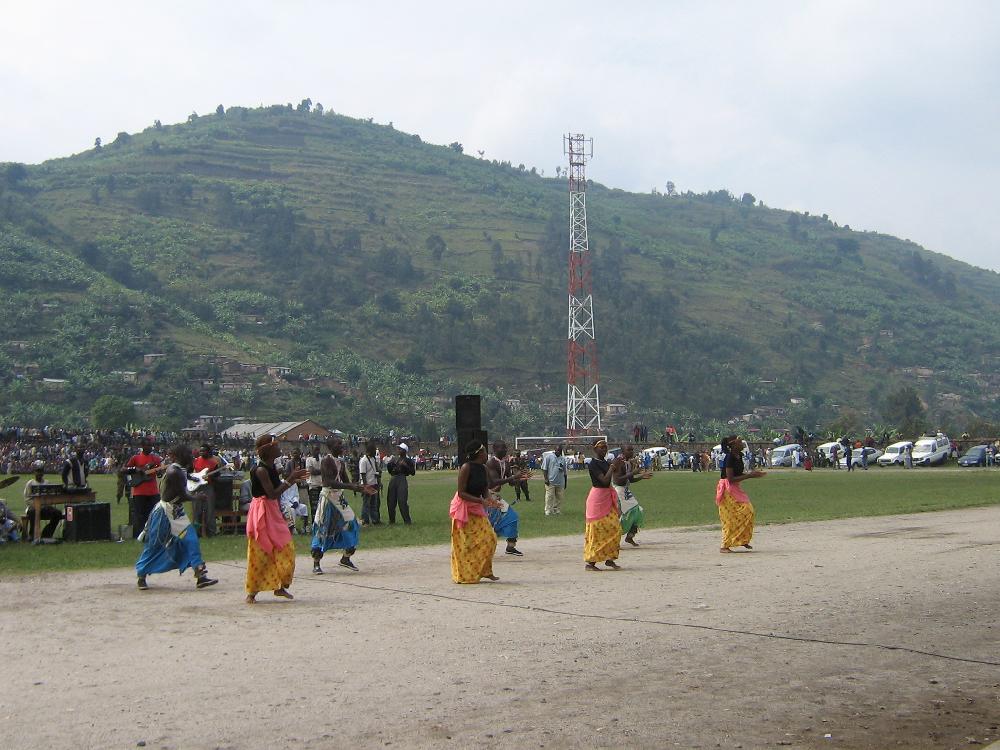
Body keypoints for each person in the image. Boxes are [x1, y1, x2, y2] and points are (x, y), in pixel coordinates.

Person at [135, 443, 218, 591]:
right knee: (155, 544)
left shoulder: (181, 470)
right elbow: (182, 495)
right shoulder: (174, 471)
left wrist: (197, 478)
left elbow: (187, 478)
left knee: (191, 539)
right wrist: (197, 497)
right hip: (164, 513)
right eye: (189, 454)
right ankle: (141, 574)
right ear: (181, 456)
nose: (192, 457)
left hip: (177, 512)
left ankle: (200, 575)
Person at [245, 435, 309, 604]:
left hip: (272, 510)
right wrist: (291, 479)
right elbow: (272, 494)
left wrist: (291, 478)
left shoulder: (271, 467)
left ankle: (280, 585)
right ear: (268, 450)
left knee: (285, 547)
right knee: (261, 551)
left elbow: (276, 490)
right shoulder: (260, 470)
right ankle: (252, 592)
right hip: (262, 511)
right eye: (276, 446)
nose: (279, 448)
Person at [311, 436, 375, 574]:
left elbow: (345, 481)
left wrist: (361, 487)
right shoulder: (326, 461)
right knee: (322, 527)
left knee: (352, 524)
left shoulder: (340, 462)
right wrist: (353, 487)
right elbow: (329, 482)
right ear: (331, 447)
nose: (342, 446)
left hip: (339, 498)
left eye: (341, 444)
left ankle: (346, 558)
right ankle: (316, 562)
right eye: (338, 444)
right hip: (328, 498)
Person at [449, 441, 502, 583]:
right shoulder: (466, 468)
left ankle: (485, 570)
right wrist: (481, 501)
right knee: (465, 544)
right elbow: (461, 493)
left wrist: (492, 500)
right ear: (479, 453)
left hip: (476, 507)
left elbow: (484, 490)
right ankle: (464, 575)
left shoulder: (483, 468)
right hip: (463, 508)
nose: (486, 453)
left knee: (490, 538)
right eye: (484, 450)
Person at [716, 435, 765, 553]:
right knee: (730, 517)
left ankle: (742, 539)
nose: (742, 444)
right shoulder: (729, 457)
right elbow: (730, 478)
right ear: (734, 445)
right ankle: (724, 546)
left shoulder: (739, 456)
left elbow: (738, 474)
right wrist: (750, 476)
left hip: (734, 487)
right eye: (740, 442)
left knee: (748, 511)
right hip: (727, 488)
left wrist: (752, 474)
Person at [584, 439, 624, 571]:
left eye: (605, 447)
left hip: (607, 497)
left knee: (615, 528)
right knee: (597, 530)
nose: (604, 449)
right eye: (601, 447)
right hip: (597, 498)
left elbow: (614, 477)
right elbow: (604, 480)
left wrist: (618, 465)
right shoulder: (593, 464)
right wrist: (612, 467)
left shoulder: (606, 463)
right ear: (595, 449)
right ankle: (591, 562)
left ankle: (609, 558)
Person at [485, 441, 528, 556]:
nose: (504, 450)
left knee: (512, 517)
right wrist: (514, 477)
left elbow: (511, 483)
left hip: (495, 497)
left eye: (505, 448)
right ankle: (483, 548)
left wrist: (521, 479)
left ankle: (511, 546)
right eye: (502, 448)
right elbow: (494, 481)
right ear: (495, 450)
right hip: (487, 496)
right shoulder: (491, 463)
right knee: (488, 524)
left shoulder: (506, 464)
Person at [613, 445, 651, 546]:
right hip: (618, 491)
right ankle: (615, 540)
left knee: (637, 511)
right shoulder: (618, 462)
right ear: (623, 451)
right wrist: (633, 472)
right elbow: (618, 479)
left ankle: (630, 536)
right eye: (629, 450)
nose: (631, 452)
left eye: (632, 450)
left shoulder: (629, 462)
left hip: (625, 490)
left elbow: (631, 479)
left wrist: (641, 476)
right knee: (622, 515)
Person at [124, 439, 162, 539]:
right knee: (140, 515)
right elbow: (124, 469)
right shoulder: (135, 458)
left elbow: (159, 474)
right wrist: (136, 469)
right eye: (147, 445)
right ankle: (140, 535)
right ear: (142, 446)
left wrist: (159, 472)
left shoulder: (156, 459)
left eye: (151, 445)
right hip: (139, 491)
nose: (149, 447)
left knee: (154, 514)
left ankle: (153, 534)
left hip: (153, 491)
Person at [23, 461, 63, 540]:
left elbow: (50, 497)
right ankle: (32, 535)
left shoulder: (47, 483)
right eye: (37, 471)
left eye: (41, 471)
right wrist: (37, 505)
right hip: (33, 507)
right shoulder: (30, 483)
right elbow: (27, 499)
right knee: (33, 512)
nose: (39, 473)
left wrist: (47, 504)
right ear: (34, 472)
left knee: (58, 513)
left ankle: (46, 534)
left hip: (45, 507)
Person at [191, 443, 222, 537]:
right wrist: (193, 478)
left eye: (204, 451)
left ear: (208, 452)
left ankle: (211, 532)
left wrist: (211, 476)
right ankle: (197, 532)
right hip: (197, 487)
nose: (201, 452)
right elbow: (188, 473)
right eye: (201, 451)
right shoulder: (195, 461)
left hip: (208, 487)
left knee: (209, 511)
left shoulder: (213, 463)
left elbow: (217, 476)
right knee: (197, 511)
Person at [385, 442, 416, 524]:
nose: (398, 450)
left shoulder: (408, 460)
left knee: (402, 501)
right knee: (391, 501)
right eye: (398, 449)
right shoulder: (395, 459)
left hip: (402, 478)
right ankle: (391, 520)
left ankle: (407, 521)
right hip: (393, 478)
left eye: (400, 449)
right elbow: (390, 471)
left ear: (404, 451)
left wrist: (405, 465)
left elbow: (413, 472)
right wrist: (389, 464)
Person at [357, 442, 383, 526]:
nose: (375, 452)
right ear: (370, 450)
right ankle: (365, 521)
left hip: (374, 484)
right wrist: (365, 486)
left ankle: (375, 520)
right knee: (366, 504)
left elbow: (375, 471)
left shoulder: (373, 459)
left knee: (374, 504)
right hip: (367, 485)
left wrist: (379, 481)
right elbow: (363, 474)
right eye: (374, 450)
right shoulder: (363, 460)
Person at [541, 443, 568, 516]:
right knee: (549, 496)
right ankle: (548, 510)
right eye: (558, 450)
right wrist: (546, 479)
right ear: (555, 450)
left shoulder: (563, 459)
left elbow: (565, 472)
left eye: (560, 450)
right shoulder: (549, 457)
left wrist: (565, 482)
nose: (559, 451)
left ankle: (557, 510)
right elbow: (544, 469)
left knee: (559, 497)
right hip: (551, 481)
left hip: (560, 481)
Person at [305, 444, 324, 519]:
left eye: (318, 449)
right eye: (315, 449)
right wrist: (322, 471)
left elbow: (325, 471)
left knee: (322, 507)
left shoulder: (322, 459)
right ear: (312, 450)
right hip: (313, 486)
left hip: (322, 486)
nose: (317, 451)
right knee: (314, 508)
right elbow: (312, 472)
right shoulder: (309, 460)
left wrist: (320, 471)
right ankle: (314, 523)